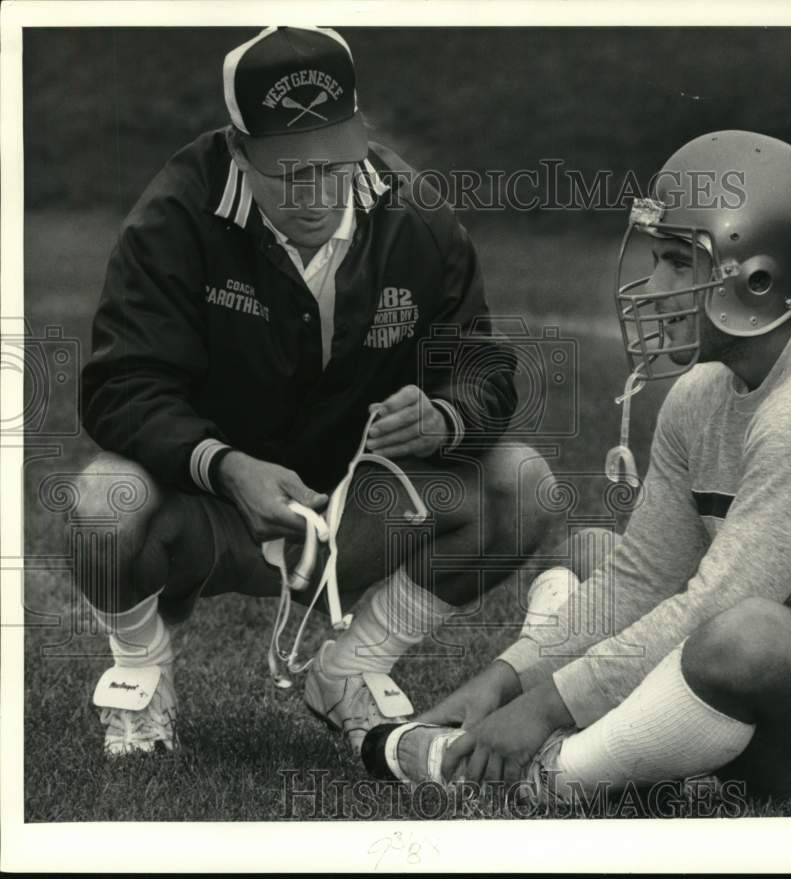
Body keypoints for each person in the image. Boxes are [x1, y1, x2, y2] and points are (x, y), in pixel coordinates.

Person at [361, 130, 791, 806]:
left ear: (759, 279)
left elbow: (721, 609)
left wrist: (542, 708)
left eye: (680, 261)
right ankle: (617, 737)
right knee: (596, 553)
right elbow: (641, 576)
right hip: (733, 661)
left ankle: (557, 775)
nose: (655, 284)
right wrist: (506, 679)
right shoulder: (701, 392)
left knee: (742, 632)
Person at [76, 26, 553, 757]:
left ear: (359, 136)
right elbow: (121, 385)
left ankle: (350, 666)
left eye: (331, 165)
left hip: (355, 511)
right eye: (287, 170)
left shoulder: (416, 218)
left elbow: (481, 366)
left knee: (522, 483)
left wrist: (444, 417)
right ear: (238, 150)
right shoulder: (175, 216)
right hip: (214, 514)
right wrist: (225, 464)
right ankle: (143, 670)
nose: (313, 192)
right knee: (103, 501)